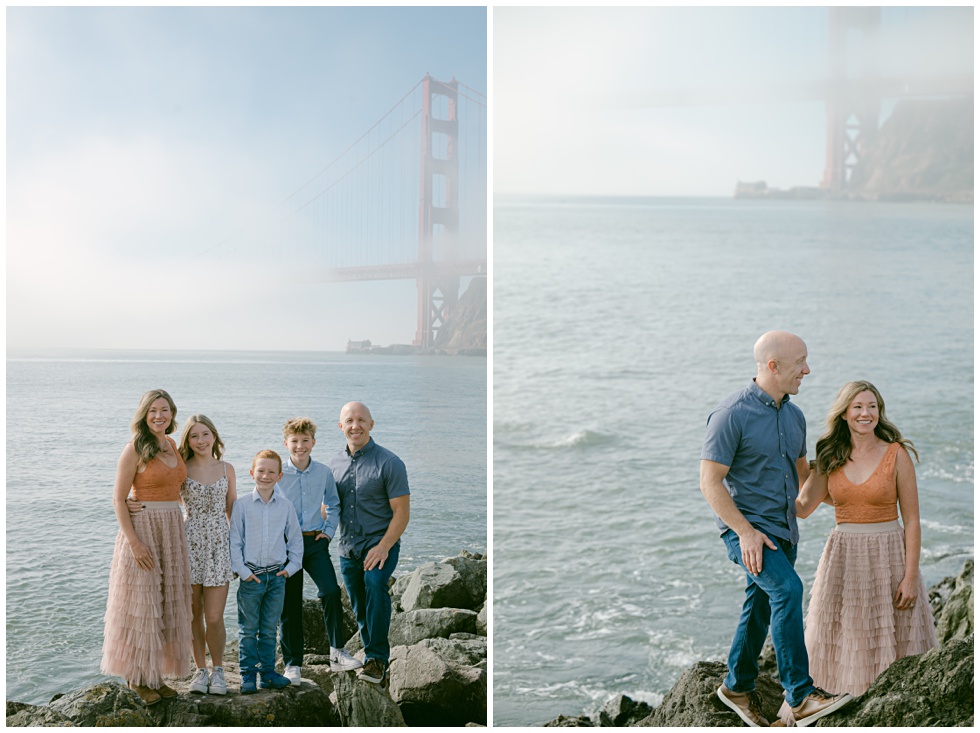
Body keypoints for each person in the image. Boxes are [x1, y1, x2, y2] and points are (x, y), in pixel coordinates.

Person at [699, 331, 852, 727]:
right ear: (773, 366)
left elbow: (805, 478)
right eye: (800, 361)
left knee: (762, 604)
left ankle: (736, 687)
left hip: (784, 531)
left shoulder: (795, 415)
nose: (807, 369)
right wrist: (746, 533)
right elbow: (710, 482)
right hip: (747, 531)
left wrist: (857, 497)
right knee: (788, 590)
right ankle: (800, 696)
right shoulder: (731, 413)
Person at [796, 381, 937, 696]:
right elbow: (803, 508)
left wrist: (911, 576)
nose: (865, 413)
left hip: (891, 556)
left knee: (894, 637)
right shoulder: (830, 455)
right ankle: (832, 705)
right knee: (842, 636)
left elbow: (912, 520)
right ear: (844, 413)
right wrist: (788, 462)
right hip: (843, 557)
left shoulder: (896, 454)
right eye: (858, 407)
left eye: (872, 406)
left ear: (879, 412)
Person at [101, 389, 193, 705]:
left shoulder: (171, 445)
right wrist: (134, 542)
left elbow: (177, 486)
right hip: (144, 531)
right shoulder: (134, 449)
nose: (159, 416)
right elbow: (117, 498)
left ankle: (154, 676)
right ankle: (136, 679)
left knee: (166, 602)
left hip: (172, 530)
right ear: (144, 414)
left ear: (172, 413)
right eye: (153, 410)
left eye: (164, 410)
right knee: (141, 605)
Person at [328, 402, 410, 685]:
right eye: (349, 421)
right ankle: (374, 662)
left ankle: (377, 659)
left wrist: (384, 546)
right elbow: (328, 507)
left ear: (371, 424)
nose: (355, 426)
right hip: (347, 548)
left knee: (375, 586)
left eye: (361, 420)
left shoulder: (390, 463)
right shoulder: (334, 465)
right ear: (341, 427)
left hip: (380, 543)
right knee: (358, 605)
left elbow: (402, 513)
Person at [277, 417, 362, 686]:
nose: (300, 446)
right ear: (286, 443)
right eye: (295, 441)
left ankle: (337, 652)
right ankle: (292, 664)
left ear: (313, 442)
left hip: (315, 542)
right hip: (287, 545)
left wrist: (328, 533)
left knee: (331, 591)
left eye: (305, 441)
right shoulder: (278, 473)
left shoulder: (323, 472)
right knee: (290, 605)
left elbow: (334, 504)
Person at [229, 449, 302, 694]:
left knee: (270, 629)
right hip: (252, 577)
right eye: (261, 471)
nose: (265, 476)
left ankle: (268, 673)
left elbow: (295, 539)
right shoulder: (241, 505)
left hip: (277, 577)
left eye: (271, 472)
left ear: (280, 476)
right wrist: (242, 571)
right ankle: (248, 675)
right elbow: (235, 541)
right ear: (252, 473)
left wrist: (291, 568)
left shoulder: (285, 506)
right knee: (248, 629)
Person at [178, 415, 237, 696]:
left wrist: (240, 551)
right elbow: (164, 498)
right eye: (193, 436)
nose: (200, 441)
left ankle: (219, 670)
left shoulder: (227, 469)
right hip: (189, 544)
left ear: (214, 436)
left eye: (205, 434)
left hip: (218, 547)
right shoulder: (181, 469)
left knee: (214, 617)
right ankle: (199, 670)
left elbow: (233, 513)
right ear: (187, 441)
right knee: (193, 614)